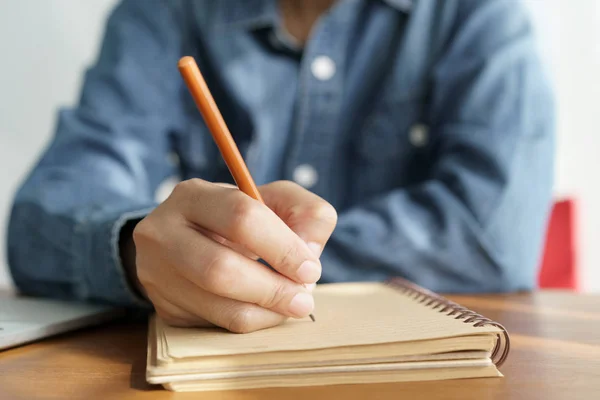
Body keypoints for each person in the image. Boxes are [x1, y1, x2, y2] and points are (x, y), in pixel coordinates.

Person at [7, 0, 554, 333]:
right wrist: (139, 250)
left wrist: (247, 255)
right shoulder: (165, 11)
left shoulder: (477, 13)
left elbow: (492, 240)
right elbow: (43, 219)